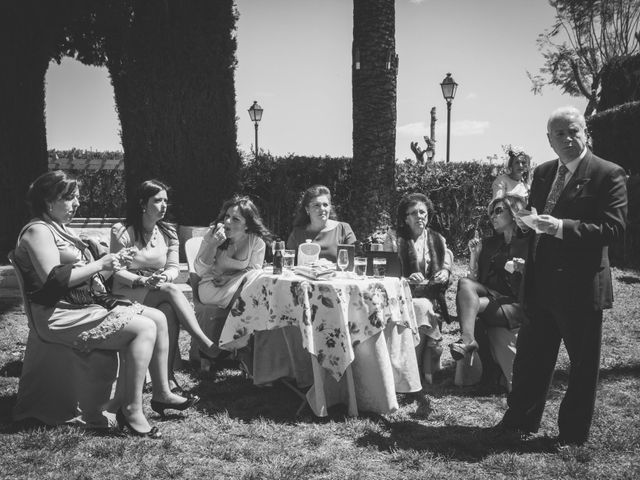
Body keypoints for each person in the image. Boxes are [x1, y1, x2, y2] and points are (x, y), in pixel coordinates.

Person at [13, 171, 194, 438]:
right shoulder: (38, 230)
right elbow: (54, 280)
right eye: (70, 198)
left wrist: (112, 264)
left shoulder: (58, 228)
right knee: (144, 328)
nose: (76, 204)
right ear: (48, 200)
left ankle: (162, 392)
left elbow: (87, 278)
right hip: (57, 314)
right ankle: (131, 409)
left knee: (157, 317)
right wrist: (101, 263)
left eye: (77, 198)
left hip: (78, 305)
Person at [497, 106, 627, 446]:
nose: (568, 139)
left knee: (582, 366)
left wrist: (561, 228)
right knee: (531, 358)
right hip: (540, 283)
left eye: (574, 131)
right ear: (549, 140)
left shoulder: (607, 173)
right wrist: (523, 244)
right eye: (560, 134)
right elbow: (534, 222)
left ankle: (571, 434)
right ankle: (520, 420)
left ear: (586, 132)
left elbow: (613, 229)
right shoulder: (541, 173)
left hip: (580, 286)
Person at [110, 179, 217, 392]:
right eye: (157, 200)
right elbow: (116, 270)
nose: (164, 205)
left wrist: (163, 278)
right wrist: (142, 280)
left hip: (157, 289)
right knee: (170, 291)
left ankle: (167, 378)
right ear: (143, 203)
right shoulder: (122, 231)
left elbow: (173, 268)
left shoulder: (168, 232)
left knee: (168, 308)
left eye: (166, 201)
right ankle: (205, 343)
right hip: (126, 290)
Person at [454, 194, 528, 389]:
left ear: (514, 213)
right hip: (492, 296)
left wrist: (524, 269)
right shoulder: (489, 244)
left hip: (516, 303)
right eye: (491, 213)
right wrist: (474, 256)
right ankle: (469, 341)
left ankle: (486, 369)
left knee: (474, 314)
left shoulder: (529, 243)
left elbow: (540, 280)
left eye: (498, 211)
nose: (493, 217)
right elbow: (473, 282)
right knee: (464, 283)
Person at [395, 193, 452, 383]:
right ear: (405, 218)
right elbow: (385, 273)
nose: (419, 216)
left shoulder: (438, 239)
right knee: (421, 307)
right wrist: (407, 278)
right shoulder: (395, 239)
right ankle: (418, 369)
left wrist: (445, 272)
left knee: (424, 305)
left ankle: (416, 369)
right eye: (414, 213)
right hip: (401, 295)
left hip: (432, 295)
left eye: (423, 212)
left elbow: (446, 266)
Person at [194, 195, 270, 308]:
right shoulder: (213, 234)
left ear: (247, 225)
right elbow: (200, 271)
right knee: (253, 297)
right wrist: (213, 245)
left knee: (257, 282)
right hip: (212, 286)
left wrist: (229, 278)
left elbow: (254, 272)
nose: (227, 221)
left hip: (239, 284)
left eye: (235, 219)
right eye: (227, 216)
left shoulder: (256, 242)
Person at [286, 185, 356, 262]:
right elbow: (288, 263)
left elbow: (350, 264)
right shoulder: (297, 233)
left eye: (325, 205)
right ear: (307, 209)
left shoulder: (343, 229)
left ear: (330, 207)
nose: (322, 209)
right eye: (317, 205)